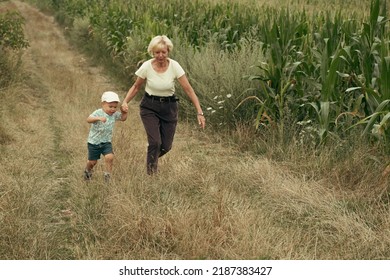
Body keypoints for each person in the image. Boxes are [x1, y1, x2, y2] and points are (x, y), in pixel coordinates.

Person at [121, 35, 206, 175]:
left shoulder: (174, 66)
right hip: (149, 107)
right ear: (152, 52)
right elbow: (136, 87)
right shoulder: (147, 66)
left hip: (169, 108)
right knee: (155, 142)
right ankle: (151, 174)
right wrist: (125, 101)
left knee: (166, 146)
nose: (160, 55)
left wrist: (199, 112)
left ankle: (151, 159)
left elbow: (188, 89)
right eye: (157, 52)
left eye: (163, 52)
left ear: (168, 52)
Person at [84, 91, 128, 182]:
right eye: (110, 107)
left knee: (110, 157)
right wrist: (98, 118)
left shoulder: (114, 114)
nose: (113, 109)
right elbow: (88, 119)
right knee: (93, 162)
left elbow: (123, 119)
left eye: (115, 107)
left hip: (106, 142)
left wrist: (124, 112)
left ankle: (107, 177)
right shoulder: (98, 112)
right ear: (103, 104)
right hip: (94, 142)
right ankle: (88, 171)